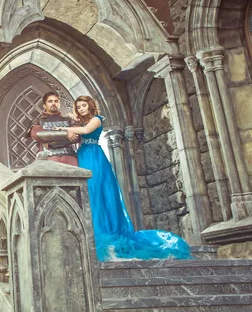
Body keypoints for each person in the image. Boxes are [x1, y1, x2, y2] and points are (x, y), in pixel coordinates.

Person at [54, 95, 191, 261]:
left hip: (94, 157)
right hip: (82, 154)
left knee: (96, 191)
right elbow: (78, 129)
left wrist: (64, 129)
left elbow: (85, 132)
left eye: (84, 105)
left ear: (90, 106)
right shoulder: (80, 122)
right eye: (79, 106)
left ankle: (102, 231)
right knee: (87, 193)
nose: (81, 108)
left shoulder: (97, 119)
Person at [25, 91, 80, 166]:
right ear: (44, 105)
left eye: (56, 101)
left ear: (59, 104)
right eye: (50, 101)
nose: (53, 103)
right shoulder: (38, 121)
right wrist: (66, 135)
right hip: (48, 157)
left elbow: (77, 137)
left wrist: (49, 140)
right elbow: (37, 135)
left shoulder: (69, 120)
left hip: (69, 157)